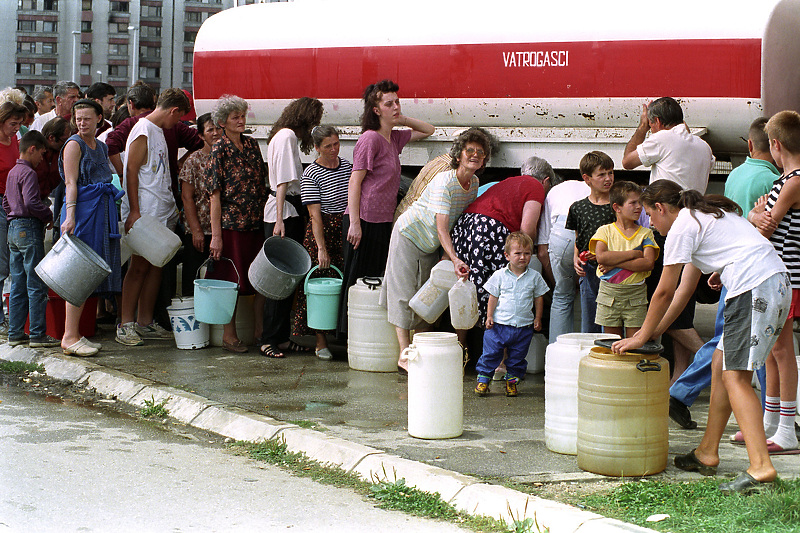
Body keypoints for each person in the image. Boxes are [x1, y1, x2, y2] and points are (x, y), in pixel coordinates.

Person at [613, 179, 790, 494]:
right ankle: (707, 452)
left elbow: (664, 290)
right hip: (769, 283)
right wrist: (653, 332)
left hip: (754, 288)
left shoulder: (683, 226)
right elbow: (681, 292)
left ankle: (761, 467)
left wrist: (640, 336)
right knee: (720, 364)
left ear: (661, 208)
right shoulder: (701, 217)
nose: (651, 225)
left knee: (736, 377)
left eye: (651, 217)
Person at [669, 117, 779, 429]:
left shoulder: (737, 175)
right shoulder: (774, 182)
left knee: (728, 342)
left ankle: (680, 394)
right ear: (776, 146)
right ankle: (774, 416)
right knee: (759, 345)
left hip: (732, 272)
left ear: (748, 145)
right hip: (757, 273)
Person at [385, 127, 492, 373]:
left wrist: (447, 255)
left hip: (432, 242)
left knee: (428, 296)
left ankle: (422, 352)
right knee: (402, 293)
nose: (475, 155)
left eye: (480, 152)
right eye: (469, 150)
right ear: (459, 155)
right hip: (410, 235)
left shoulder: (474, 183)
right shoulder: (445, 180)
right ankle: (404, 355)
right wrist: (453, 258)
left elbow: (458, 221)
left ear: (484, 159)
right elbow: (441, 225)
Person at [622, 96, 713, 383]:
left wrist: (640, 129)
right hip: (696, 225)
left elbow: (627, 160)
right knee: (682, 307)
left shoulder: (662, 140)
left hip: (669, 228)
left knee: (661, 304)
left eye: (651, 124)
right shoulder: (703, 145)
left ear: (656, 122)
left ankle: (712, 360)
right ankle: (680, 378)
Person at [338, 79, 434, 336]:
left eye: (397, 102)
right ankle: (348, 336)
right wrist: (355, 223)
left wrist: (403, 119)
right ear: (376, 110)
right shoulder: (370, 139)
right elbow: (355, 181)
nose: (395, 106)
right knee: (357, 279)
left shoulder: (393, 138)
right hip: (364, 219)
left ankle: (367, 332)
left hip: (383, 220)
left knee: (375, 278)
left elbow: (428, 129)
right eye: (389, 103)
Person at [117, 89, 191, 346]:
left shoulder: (159, 130)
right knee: (138, 267)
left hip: (162, 210)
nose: (178, 123)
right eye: (179, 117)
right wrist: (134, 210)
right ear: (174, 111)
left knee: (156, 266)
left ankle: (145, 321)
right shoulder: (142, 129)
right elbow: (131, 170)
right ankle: (126, 323)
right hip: (145, 211)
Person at [747, 110, 800, 453]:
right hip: (776, 273)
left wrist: (756, 213)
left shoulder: (795, 180)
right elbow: (762, 220)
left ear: (776, 144)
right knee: (770, 347)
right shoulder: (787, 179)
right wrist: (757, 214)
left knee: (781, 349)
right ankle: (770, 420)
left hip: (789, 275)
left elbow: (766, 224)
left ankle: (786, 428)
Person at [451, 156, 554, 331]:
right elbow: (526, 229)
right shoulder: (536, 186)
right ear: (546, 181)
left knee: (467, 291)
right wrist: (533, 250)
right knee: (497, 291)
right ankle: (498, 351)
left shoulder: (510, 181)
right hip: (488, 230)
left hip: (465, 226)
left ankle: (464, 349)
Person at [59, 99, 124, 356]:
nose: (82, 123)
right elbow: (70, 183)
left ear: (99, 118)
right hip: (82, 209)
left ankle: (76, 333)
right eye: (78, 118)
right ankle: (69, 335)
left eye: (87, 118)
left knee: (93, 270)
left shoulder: (102, 146)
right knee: (79, 271)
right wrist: (70, 216)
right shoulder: (73, 145)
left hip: (101, 208)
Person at [260, 97, 324, 358]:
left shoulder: (280, 134)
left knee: (285, 281)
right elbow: (283, 183)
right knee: (280, 281)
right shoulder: (287, 137)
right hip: (284, 212)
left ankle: (281, 337)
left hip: (281, 210)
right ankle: (269, 339)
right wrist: (279, 221)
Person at [208, 95, 268, 353]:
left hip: (255, 221)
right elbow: (214, 195)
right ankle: (229, 335)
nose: (241, 121)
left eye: (243, 116)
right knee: (230, 280)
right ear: (223, 122)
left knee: (260, 279)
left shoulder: (252, 145)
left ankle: (260, 331)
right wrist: (216, 235)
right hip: (231, 224)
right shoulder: (218, 149)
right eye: (235, 117)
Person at [292, 125, 351, 360]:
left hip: (344, 228)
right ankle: (320, 341)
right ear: (316, 148)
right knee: (318, 284)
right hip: (322, 229)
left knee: (344, 281)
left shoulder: (347, 167)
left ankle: (343, 334)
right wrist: (321, 249)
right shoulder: (311, 174)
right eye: (328, 146)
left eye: (336, 144)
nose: (334, 149)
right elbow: (315, 215)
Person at [474, 232, 548, 397]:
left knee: (517, 357)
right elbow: (493, 296)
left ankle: (512, 382)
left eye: (527, 253)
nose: (523, 257)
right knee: (491, 352)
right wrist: (490, 316)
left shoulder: (535, 277)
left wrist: (537, 317)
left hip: (523, 326)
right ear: (507, 255)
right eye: (518, 253)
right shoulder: (499, 275)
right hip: (499, 325)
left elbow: (538, 298)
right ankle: (484, 378)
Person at [3, 131, 58, 348]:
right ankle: (37, 334)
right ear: (32, 149)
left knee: (17, 283)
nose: (41, 160)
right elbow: (32, 203)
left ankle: (15, 332)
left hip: (13, 228)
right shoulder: (29, 174)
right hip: (29, 227)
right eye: (41, 154)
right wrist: (48, 215)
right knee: (36, 283)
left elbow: (7, 203)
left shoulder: (13, 172)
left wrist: (12, 217)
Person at [588, 181, 658, 338]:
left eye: (640, 202)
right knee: (611, 343)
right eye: (633, 203)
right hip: (609, 293)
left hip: (636, 295)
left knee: (634, 344)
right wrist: (634, 254)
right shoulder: (605, 231)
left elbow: (648, 263)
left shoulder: (646, 233)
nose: (639, 207)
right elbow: (601, 257)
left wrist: (612, 263)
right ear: (617, 207)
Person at [565, 151, 616, 333]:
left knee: (610, 320)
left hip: (612, 269)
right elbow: (579, 236)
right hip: (587, 270)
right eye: (601, 174)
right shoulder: (578, 207)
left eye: (610, 173)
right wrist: (575, 258)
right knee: (590, 319)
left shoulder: (617, 206)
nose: (608, 178)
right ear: (587, 179)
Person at [536, 177, 589, 342]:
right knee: (590, 295)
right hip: (588, 228)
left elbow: (543, 252)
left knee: (562, 296)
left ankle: (555, 357)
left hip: (560, 233)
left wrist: (557, 282)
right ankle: (589, 355)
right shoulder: (594, 188)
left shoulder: (553, 192)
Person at [179, 113, 220, 297]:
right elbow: (187, 198)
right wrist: (196, 230)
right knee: (193, 278)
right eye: (210, 129)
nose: (215, 133)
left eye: (218, 128)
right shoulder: (193, 161)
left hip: (222, 229)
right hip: (199, 229)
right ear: (202, 135)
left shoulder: (227, 156)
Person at [0, 101, 28, 338]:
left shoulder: (16, 140)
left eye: (19, 124)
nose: (16, 128)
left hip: (11, 203)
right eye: (13, 123)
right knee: (1, 264)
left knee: (11, 261)